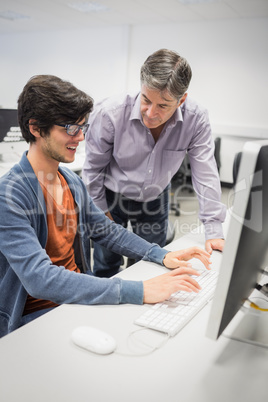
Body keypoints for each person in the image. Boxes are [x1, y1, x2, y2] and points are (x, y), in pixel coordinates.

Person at [0, 74, 211, 338]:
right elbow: (40, 279)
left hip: (77, 301)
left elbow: (107, 231)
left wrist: (161, 255)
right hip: (35, 320)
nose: (80, 138)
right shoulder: (10, 194)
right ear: (35, 128)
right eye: (70, 128)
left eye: (82, 128)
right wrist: (140, 290)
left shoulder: (71, 182)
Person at [82, 48, 226, 277]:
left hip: (155, 197)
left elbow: (205, 171)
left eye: (163, 105)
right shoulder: (110, 112)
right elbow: (92, 171)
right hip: (110, 196)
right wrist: (100, 215)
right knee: (106, 266)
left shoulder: (195, 118)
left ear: (182, 100)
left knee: (149, 267)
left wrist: (214, 230)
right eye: (146, 100)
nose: (150, 113)